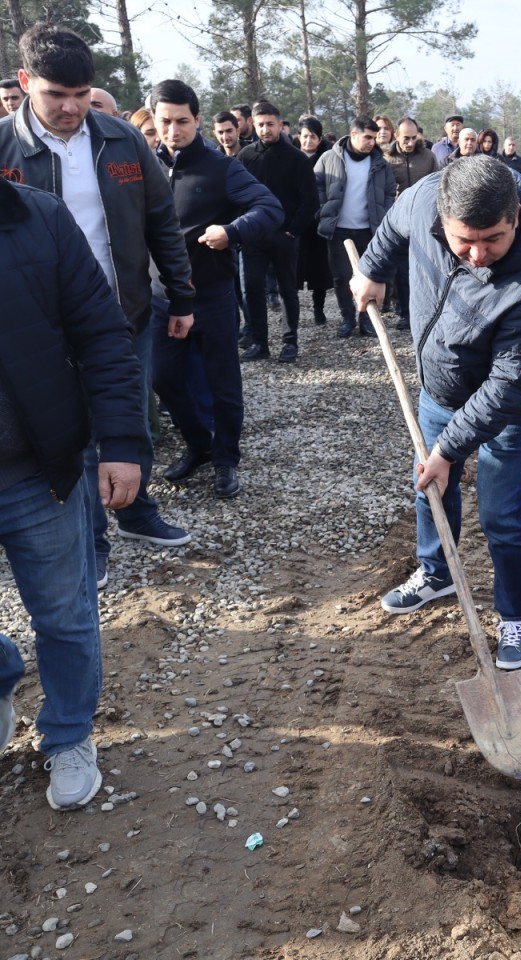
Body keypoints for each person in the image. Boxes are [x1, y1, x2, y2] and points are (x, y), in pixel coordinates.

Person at [0, 22, 197, 590]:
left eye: (81, 95)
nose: (70, 108)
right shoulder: (3, 148)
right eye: (55, 95)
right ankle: (90, 542)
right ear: (24, 82)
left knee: (130, 416)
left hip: (123, 313)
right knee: (68, 436)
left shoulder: (121, 139)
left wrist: (179, 295)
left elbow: (161, 220)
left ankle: (136, 510)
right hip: (40, 332)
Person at [352, 156, 521, 670]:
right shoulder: (425, 197)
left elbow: (510, 384)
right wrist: (371, 270)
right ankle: (437, 572)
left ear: (515, 215)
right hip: (440, 389)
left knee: (504, 516)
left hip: (508, 406)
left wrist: (450, 449)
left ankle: (516, 615)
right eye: (462, 240)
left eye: (492, 239)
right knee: (430, 488)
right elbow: (393, 223)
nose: (476, 255)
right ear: (441, 219)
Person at [0, 173, 148, 809]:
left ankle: (66, 734)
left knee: (63, 614)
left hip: (37, 470)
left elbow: (102, 334)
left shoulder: (39, 220)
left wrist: (120, 441)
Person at [150, 79, 283, 500]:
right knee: (163, 378)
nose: (174, 131)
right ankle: (198, 445)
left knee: (223, 385)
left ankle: (226, 458)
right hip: (160, 298)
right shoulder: (140, 167)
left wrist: (232, 230)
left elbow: (269, 208)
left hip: (211, 296)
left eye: (183, 121)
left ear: (198, 119)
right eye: (165, 122)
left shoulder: (221, 167)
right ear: (153, 119)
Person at [237, 100, 320, 364]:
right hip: (252, 236)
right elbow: (236, 196)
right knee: (252, 289)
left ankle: (289, 342)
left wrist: (292, 232)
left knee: (287, 289)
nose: (265, 129)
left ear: (280, 124)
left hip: (284, 236)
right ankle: (260, 342)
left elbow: (310, 201)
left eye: (270, 124)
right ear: (253, 124)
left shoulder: (296, 158)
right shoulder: (246, 157)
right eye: (260, 125)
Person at [315, 114, 396, 338]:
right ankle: (347, 318)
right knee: (341, 277)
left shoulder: (380, 164)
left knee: (371, 275)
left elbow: (389, 192)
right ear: (353, 134)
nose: (372, 142)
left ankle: (366, 320)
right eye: (367, 137)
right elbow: (318, 184)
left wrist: (384, 214)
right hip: (338, 228)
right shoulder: (329, 158)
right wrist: (323, 209)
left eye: (374, 138)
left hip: (369, 230)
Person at [385, 117, 438, 330]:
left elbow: (438, 185)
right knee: (403, 270)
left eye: (413, 138)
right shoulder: (387, 159)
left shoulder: (428, 157)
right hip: (399, 221)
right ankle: (406, 313)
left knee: (426, 268)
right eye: (405, 138)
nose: (409, 142)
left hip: (424, 219)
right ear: (396, 136)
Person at [295, 115, 332, 326]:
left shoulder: (327, 158)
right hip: (297, 221)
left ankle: (319, 308)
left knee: (319, 270)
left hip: (318, 220)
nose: (308, 141)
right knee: (295, 268)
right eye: (305, 136)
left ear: (319, 138)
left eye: (313, 137)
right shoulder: (292, 157)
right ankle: (293, 310)